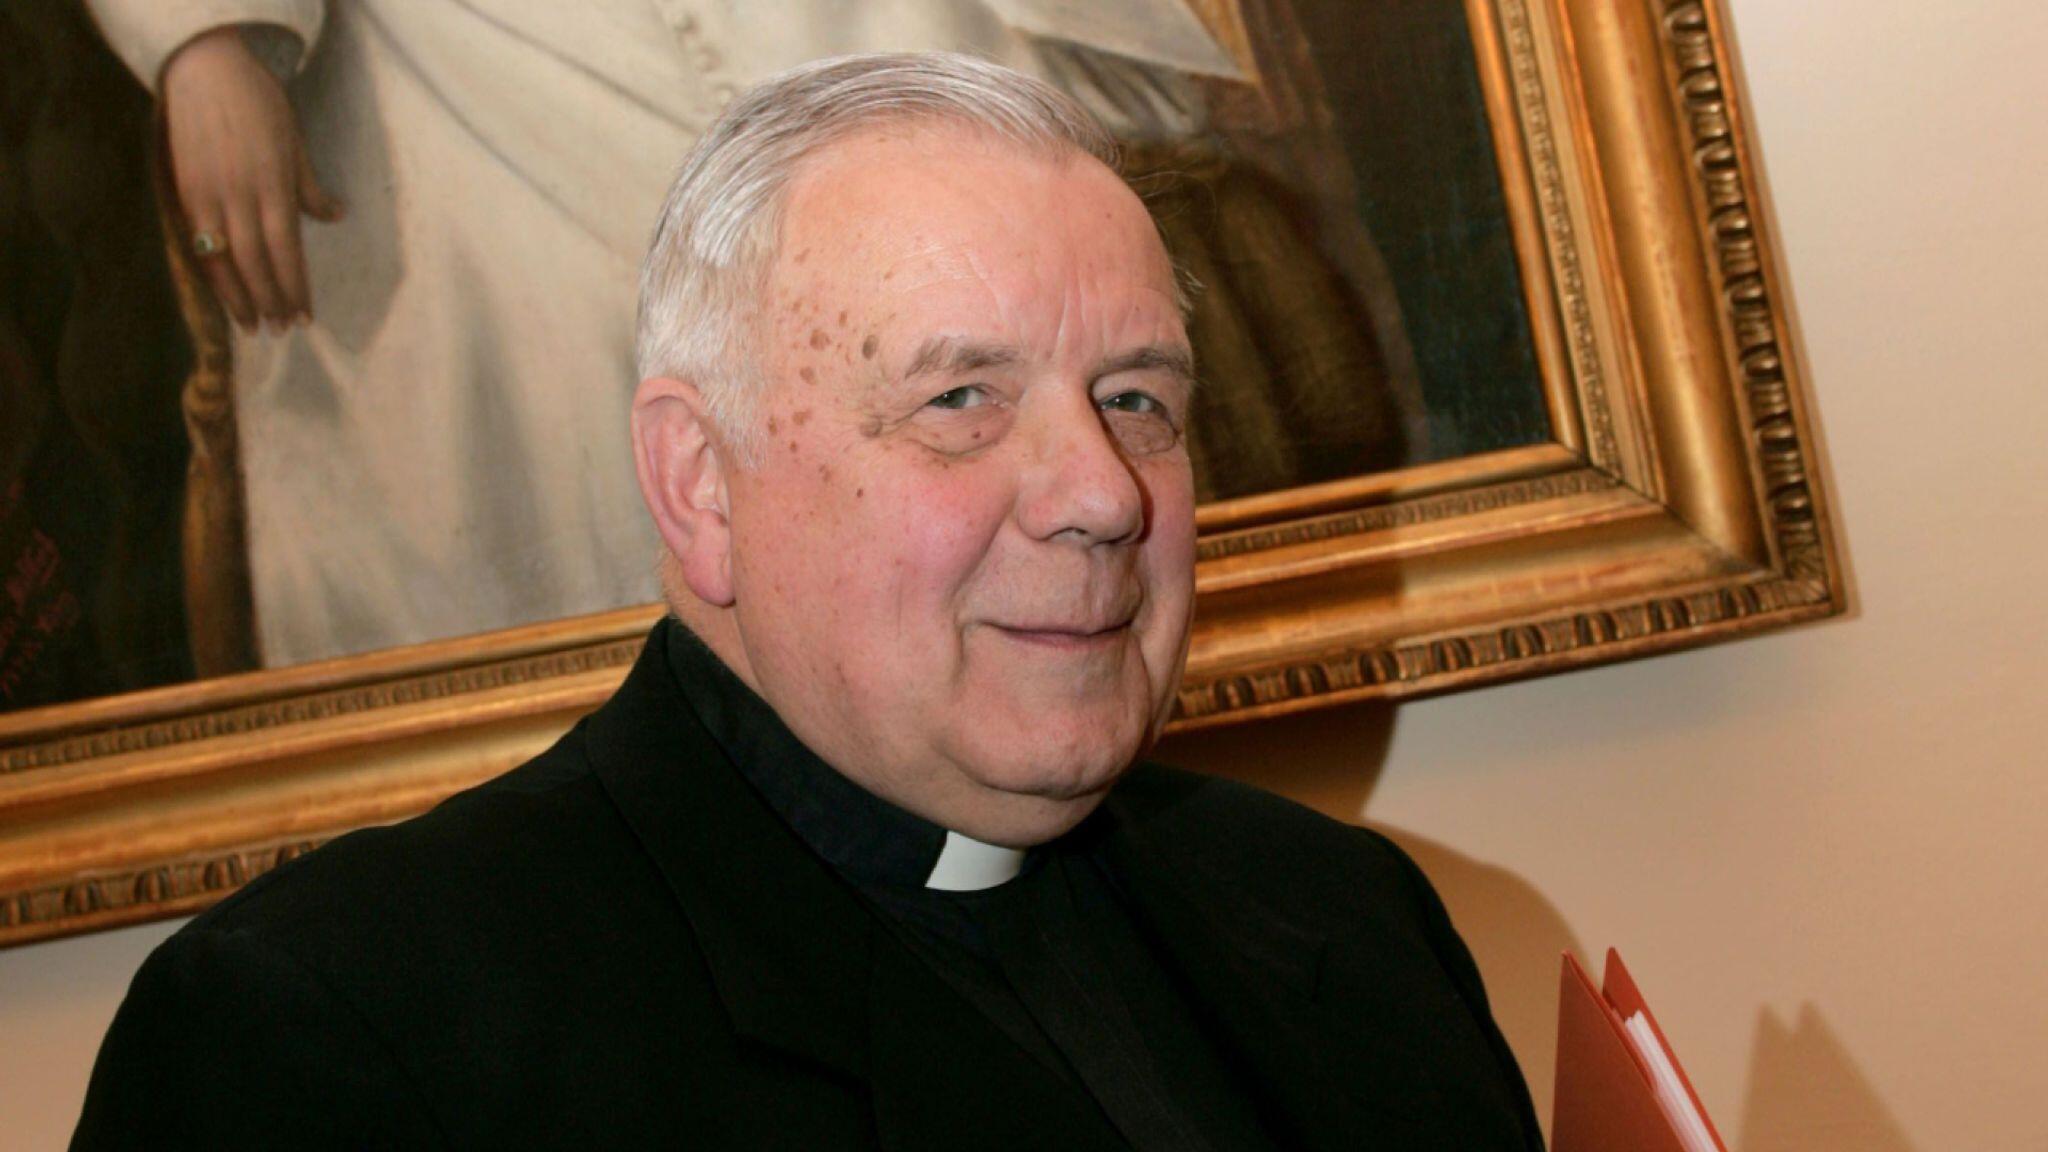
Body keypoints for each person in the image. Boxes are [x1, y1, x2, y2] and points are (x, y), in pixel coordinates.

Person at [72, 54, 1538, 1149]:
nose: (1104, 494)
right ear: (701, 485)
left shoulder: (1347, 920)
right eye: (960, 398)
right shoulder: (339, 1035)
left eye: (1138, 398)